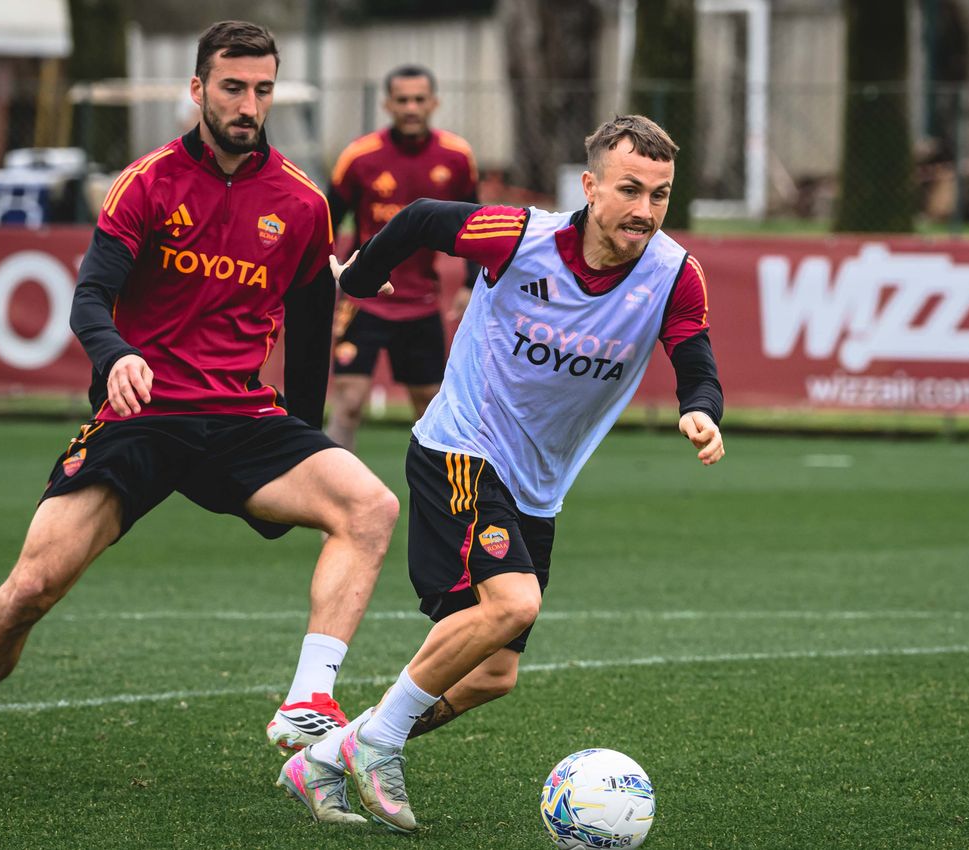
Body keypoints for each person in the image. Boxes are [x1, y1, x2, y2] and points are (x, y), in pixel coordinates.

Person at [0, 21, 399, 786]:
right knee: (30, 588)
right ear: (197, 90)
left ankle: (307, 697)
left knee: (369, 506)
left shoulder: (299, 203)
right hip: (144, 414)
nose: (247, 104)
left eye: (261, 89)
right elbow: (90, 296)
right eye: (232, 87)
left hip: (239, 419)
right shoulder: (147, 182)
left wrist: (307, 434)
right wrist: (115, 354)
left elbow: (312, 323)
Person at [276, 115, 724, 831]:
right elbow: (420, 218)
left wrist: (700, 409)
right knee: (514, 604)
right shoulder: (519, 236)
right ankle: (381, 745)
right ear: (590, 187)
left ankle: (331, 754)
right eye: (630, 189)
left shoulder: (672, 273)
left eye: (660, 194)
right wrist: (358, 279)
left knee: (492, 673)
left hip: (535, 487)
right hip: (460, 450)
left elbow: (694, 356)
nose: (644, 210)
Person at [325, 64, 480, 453]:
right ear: (387, 104)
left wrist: (468, 281)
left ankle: (441, 502)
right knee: (348, 402)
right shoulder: (359, 157)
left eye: (419, 99)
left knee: (430, 407)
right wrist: (324, 280)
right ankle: (333, 494)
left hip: (421, 302)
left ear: (434, 103)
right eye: (402, 100)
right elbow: (324, 221)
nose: (411, 107)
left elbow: (476, 223)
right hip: (363, 298)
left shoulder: (457, 157)